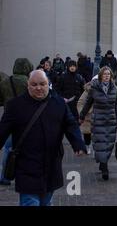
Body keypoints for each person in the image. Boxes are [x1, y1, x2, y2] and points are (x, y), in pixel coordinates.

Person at [0, 70, 86, 206]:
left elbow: (70, 124)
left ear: (48, 84)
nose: (38, 88)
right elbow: (2, 130)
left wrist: (78, 144)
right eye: (34, 85)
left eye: (42, 84)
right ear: (28, 85)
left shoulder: (58, 103)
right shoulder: (15, 106)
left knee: (46, 201)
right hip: (26, 165)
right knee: (30, 201)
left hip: (51, 164)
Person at [79, 66, 117, 181]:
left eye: (108, 74)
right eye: (104, 74)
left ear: (111, 76)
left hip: (111, 120)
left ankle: (103, 162)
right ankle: (104, 167)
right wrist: (82, 116)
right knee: (100, 144)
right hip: (98, 120)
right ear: (100, 76)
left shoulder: (114, 89)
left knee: (108, 145)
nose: (106, 76)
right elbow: (88, 103)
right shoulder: (94, 88)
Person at [0, 58, 34, 186]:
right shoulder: (29, 82)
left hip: (9, 119)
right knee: (29, 149)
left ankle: (4, 176)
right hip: (27, 119)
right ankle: (26, 176)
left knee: (8, 149)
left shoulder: (5, 82)